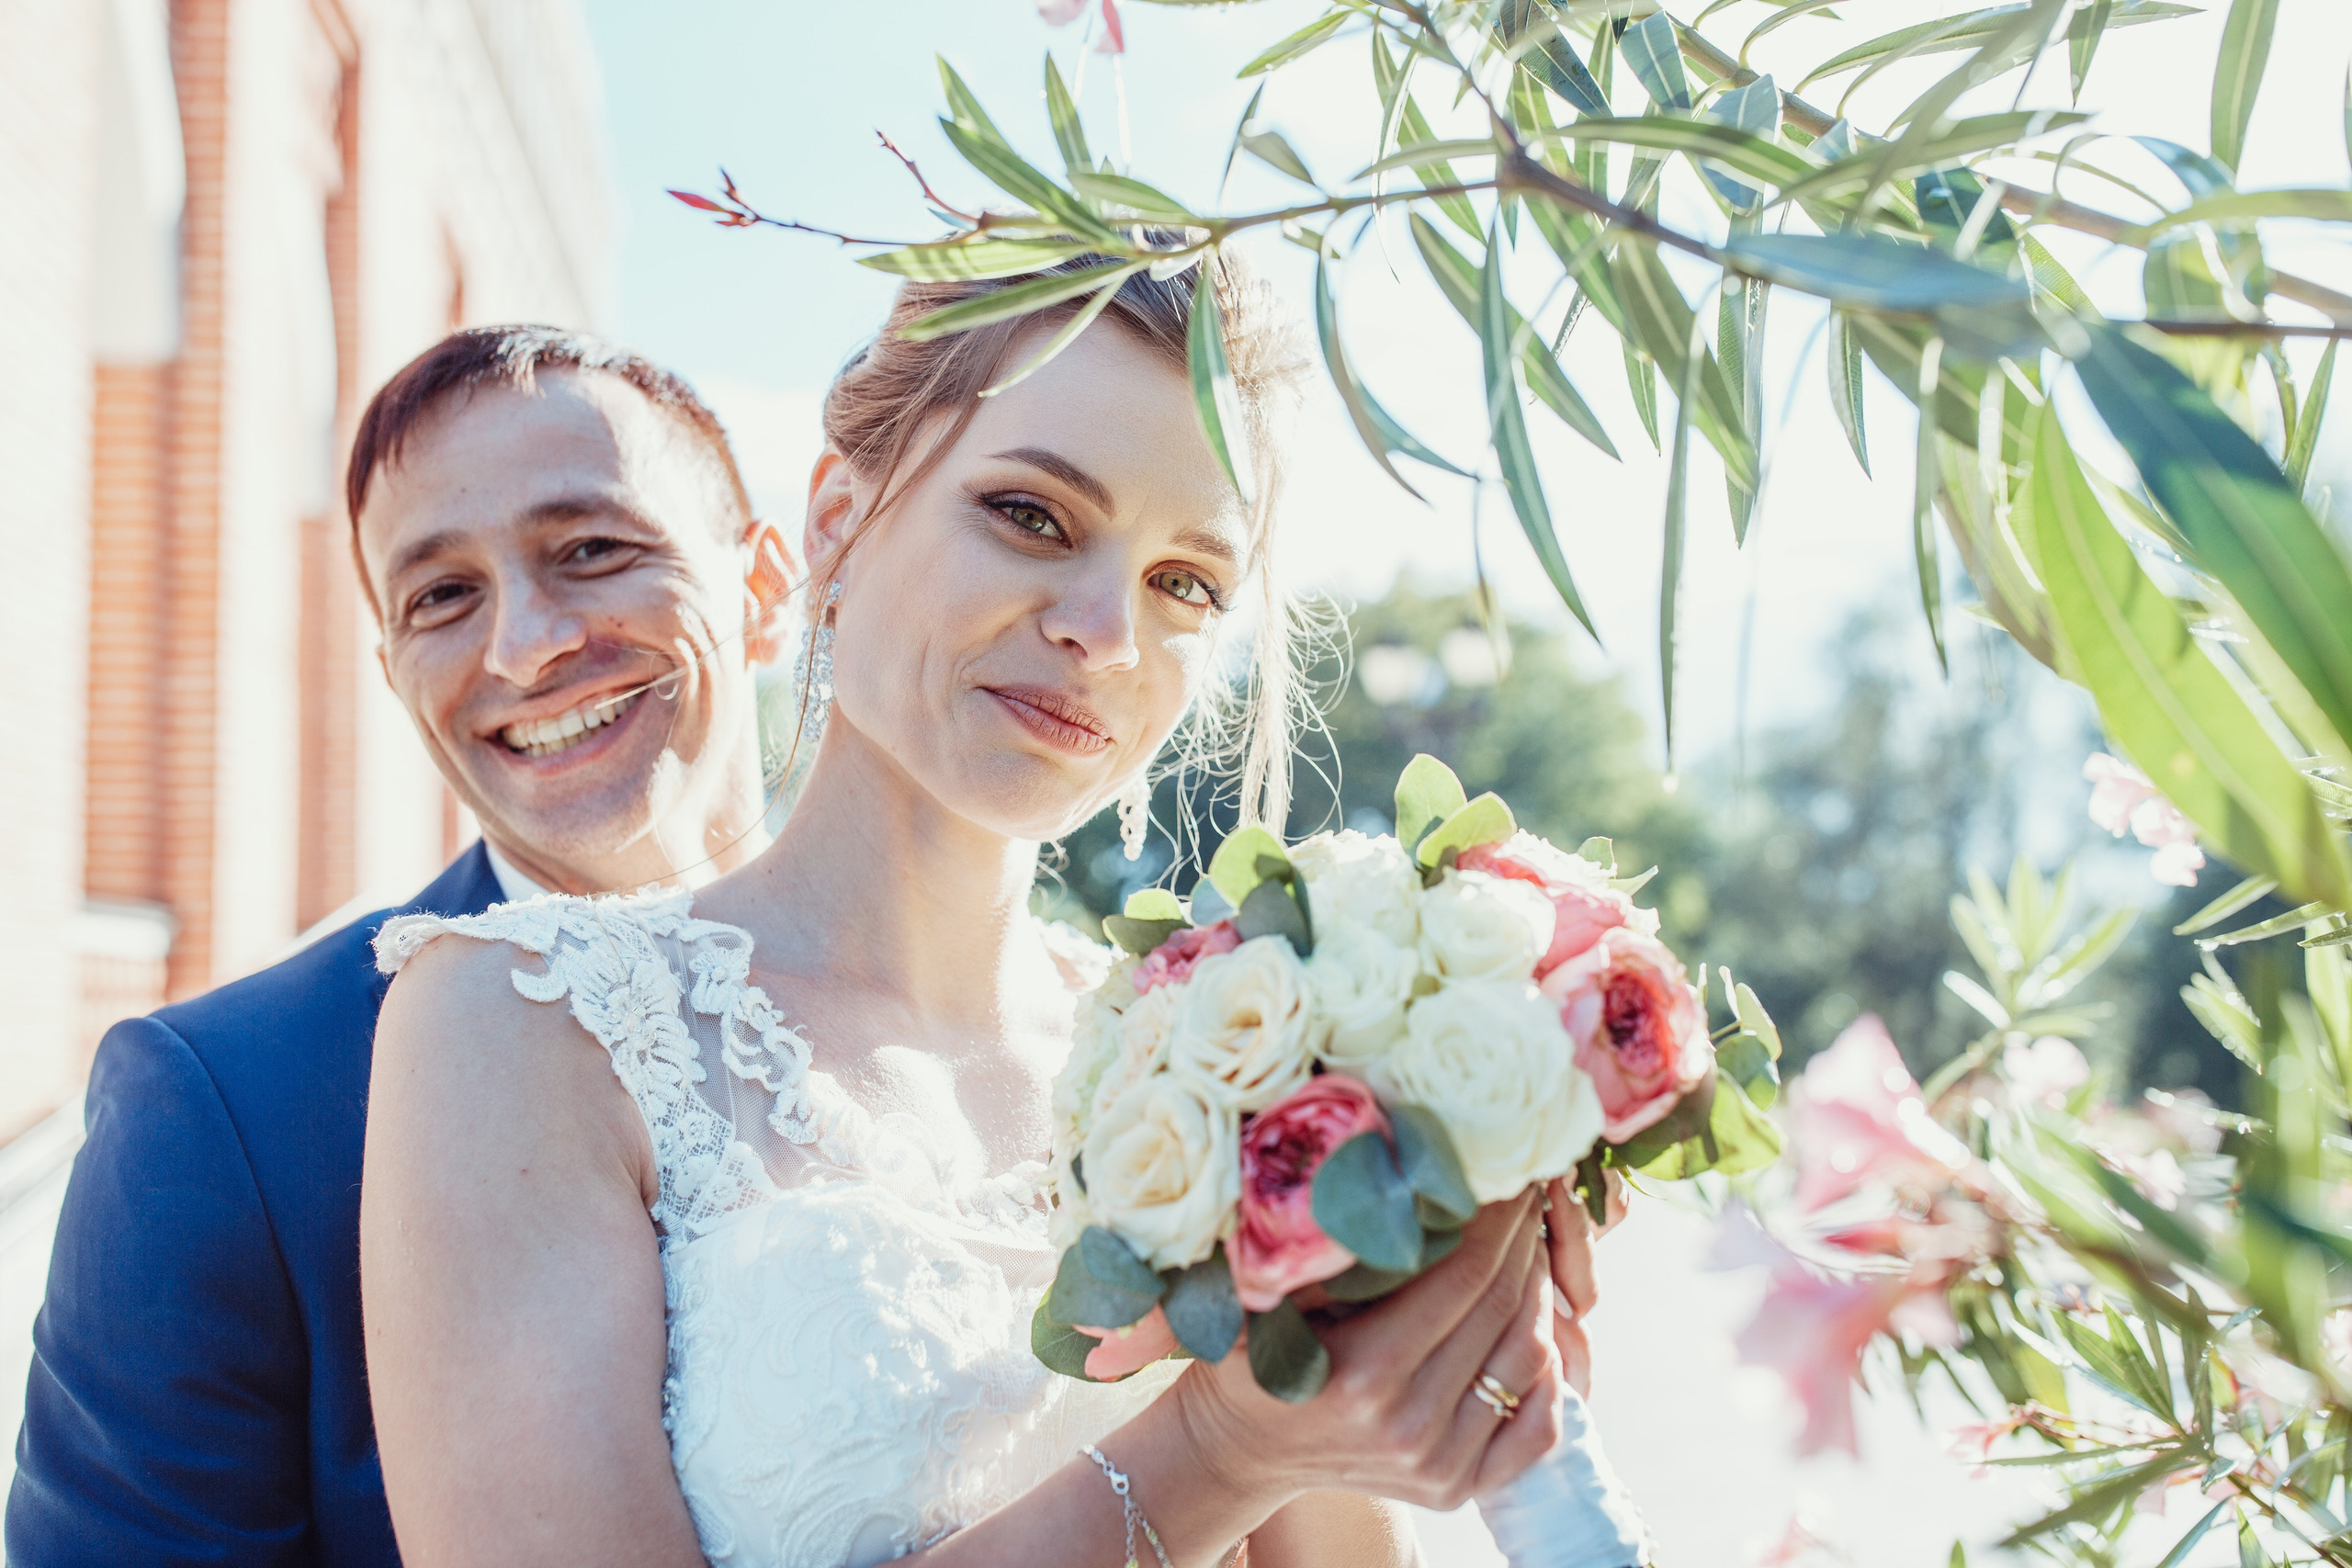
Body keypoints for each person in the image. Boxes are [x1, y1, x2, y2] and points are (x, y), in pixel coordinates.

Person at [362, 254, 1650, 1568]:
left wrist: (1451, 1362)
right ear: (837, 520)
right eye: (1032, 515)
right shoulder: (519, 1021)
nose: (1106, 630)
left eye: (1185, 582)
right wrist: (1216, 1452)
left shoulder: (1236, 1057)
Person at [8, 326, 792, 1567]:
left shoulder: (989, 1019)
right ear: (392, 671)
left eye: (591, 550)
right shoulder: (222, 1109)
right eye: (442, 597)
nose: (525, 645)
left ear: (764, 589)